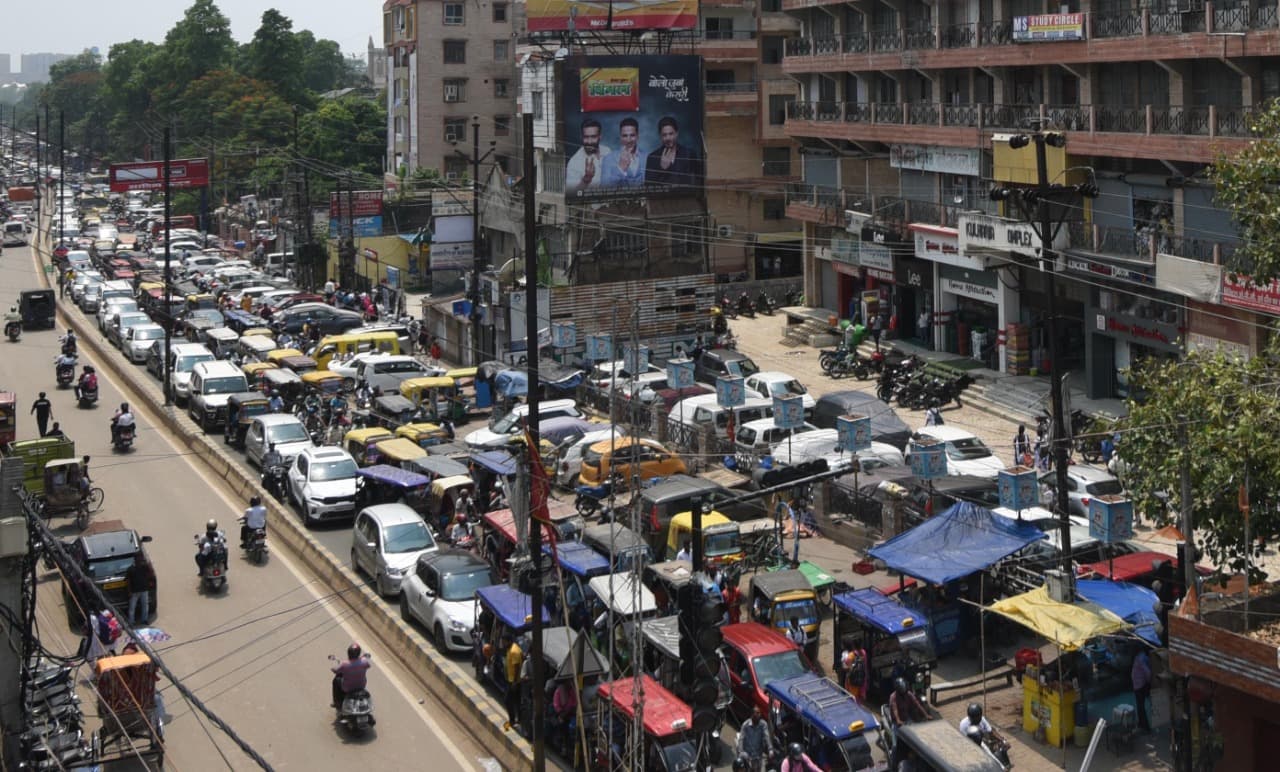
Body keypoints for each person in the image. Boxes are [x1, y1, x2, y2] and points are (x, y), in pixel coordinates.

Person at [644, 116, 702, 188]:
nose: (668, 138)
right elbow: (648, 187)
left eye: (671, 134)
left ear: (676, 133)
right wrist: (662, 169)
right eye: (664, 135)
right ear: (660, 136)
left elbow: (698, 181)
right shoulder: (652, 157)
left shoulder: (689, 154)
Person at [566, 119, 612, 195]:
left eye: (593, 137)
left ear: (600, 137)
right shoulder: (574, 162)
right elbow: (571, 194)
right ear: (581, 137)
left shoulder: (607, 151)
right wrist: (586, 180)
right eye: (586, 137)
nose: (589, 142)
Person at [601, 117, 646, 188]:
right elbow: (604, 188)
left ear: (637, 136)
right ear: (620, 137)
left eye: (632, 135)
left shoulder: (647, 157)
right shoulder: (608, 159)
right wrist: (620, 169)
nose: (628, 140)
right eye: (625, 136)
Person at [331, 643, 373, 709]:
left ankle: (336, 702)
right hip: (361, 686)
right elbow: (368, 666)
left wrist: (333, 668)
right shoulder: (364, 661)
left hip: (347, 688)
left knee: (336, 680)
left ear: (349, 653)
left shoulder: (344, 664)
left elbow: (335, 670)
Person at [735, 707, 774, 771]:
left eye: (759, 713)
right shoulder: (745, 725)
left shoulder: (763, 724)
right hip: (747, 756)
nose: (759, 715)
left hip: (758, 756)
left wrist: (770, 749)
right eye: (757, 713)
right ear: (752, 715)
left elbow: (767, 736)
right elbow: (741, 740)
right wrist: (742, 752)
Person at [502, 632, 524, 731]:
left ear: (509, 641)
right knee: (516, 701)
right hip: (510, 679)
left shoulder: (514, 651)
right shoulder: (511, 648)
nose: (503, 644)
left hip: (513, 681)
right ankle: (518, 719)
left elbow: (516, 667)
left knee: (507, 701)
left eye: (504, 642)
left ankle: (513, 720)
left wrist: (514, 682)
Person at [840, 636, 869, 701]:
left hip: (852, 680)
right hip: (862, 678)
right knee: (859, 697)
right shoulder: (864, 652)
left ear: (853, 645)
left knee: (852, 698)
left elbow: (845, 667)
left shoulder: (851, 655)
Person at [1132, 648, 1152, 732]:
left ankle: (1145, 726)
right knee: (1140, 706)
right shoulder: (1141, 657)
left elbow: (1148, 672)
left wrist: (1148, 681)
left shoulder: (1140, 659)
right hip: (1139, 684)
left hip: (1140, 685)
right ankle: (1141, 723)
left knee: (1140, 706)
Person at [125, 558, 151, 625]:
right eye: (139, 560)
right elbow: (128, 581)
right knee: (132, 607)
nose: (140, 561)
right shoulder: (130, 569)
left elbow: (149, 573)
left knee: (145, 605)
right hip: (134, 591)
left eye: (141, 560)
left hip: (144, 590)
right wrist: (129, 591)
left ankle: (144, 620)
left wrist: (148, 563)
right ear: (135, 560)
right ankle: (131, 621)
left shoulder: (144, 567)